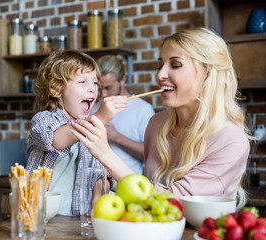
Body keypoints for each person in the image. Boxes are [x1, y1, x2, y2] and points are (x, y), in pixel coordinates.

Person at [70, 28, 251, 209]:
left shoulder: (231, 140)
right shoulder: (157, 124)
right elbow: (146, 191)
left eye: (175, 65)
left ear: (208, 74)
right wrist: (107, 181)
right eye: (160, 65)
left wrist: (105, 155)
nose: (160, 75)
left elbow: (171, 204)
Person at [26, 50, 128, 216]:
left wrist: (97, 201)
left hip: (78, 219)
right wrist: (100, 117)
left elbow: (100, 175)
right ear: (56, 90)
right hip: (40, 218)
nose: (92, 89)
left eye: (95, 83)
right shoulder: (43, 120)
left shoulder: (95, 131)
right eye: (82, 82)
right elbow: (55, 140)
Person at [92, 55, 155, 174]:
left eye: (108, 88)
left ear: (123, 80)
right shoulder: (94, 106)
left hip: (126, 185)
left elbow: (152, 155)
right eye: (100, 88)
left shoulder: (142, 109)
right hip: (93, 185)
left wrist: (117, 137)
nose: (104, 94)